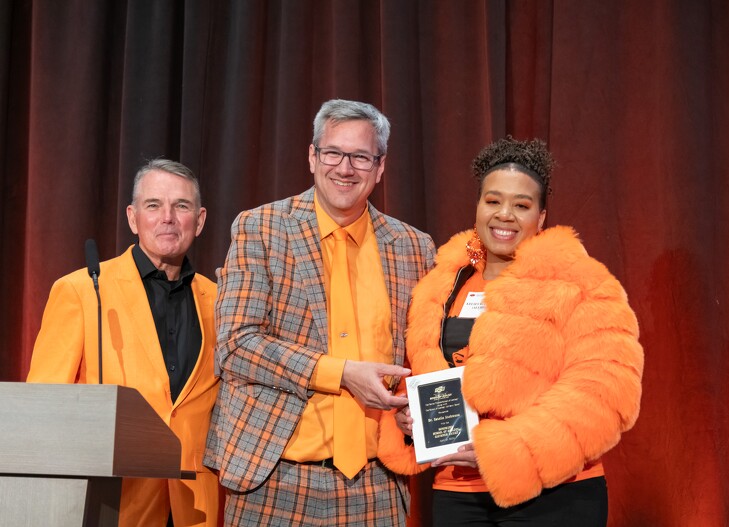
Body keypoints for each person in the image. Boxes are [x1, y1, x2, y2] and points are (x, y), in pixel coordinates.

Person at [378, 137, 644, 526]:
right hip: (457, 490)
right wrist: (407, 417)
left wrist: (501, 452)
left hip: (555, 492)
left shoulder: (581, 283)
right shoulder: (442, 284)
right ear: (478, 207)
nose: (505, 215)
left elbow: (604, 393)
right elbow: (422, 371)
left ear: (541, 218)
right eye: (493, 200)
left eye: (521, 205)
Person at [203, 99, 436, 526]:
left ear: (380, 167)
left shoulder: (414, 247)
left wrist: (413, 410)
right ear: (313, 157)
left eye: (361, 157)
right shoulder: (261, 228)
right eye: (333, 153)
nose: (345, 168)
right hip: (274, 478)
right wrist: (340, 373)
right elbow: (236, 346)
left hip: (377, 484)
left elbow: (423, 356)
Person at [28, 159, 222, 526]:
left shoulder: (221, 301)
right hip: (114, 503)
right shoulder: (82, 291)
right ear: (133, 218)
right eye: (154, 205)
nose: (167, 217)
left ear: (199, 220)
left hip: (195, 505)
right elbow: (45, 411)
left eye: (181, 206)